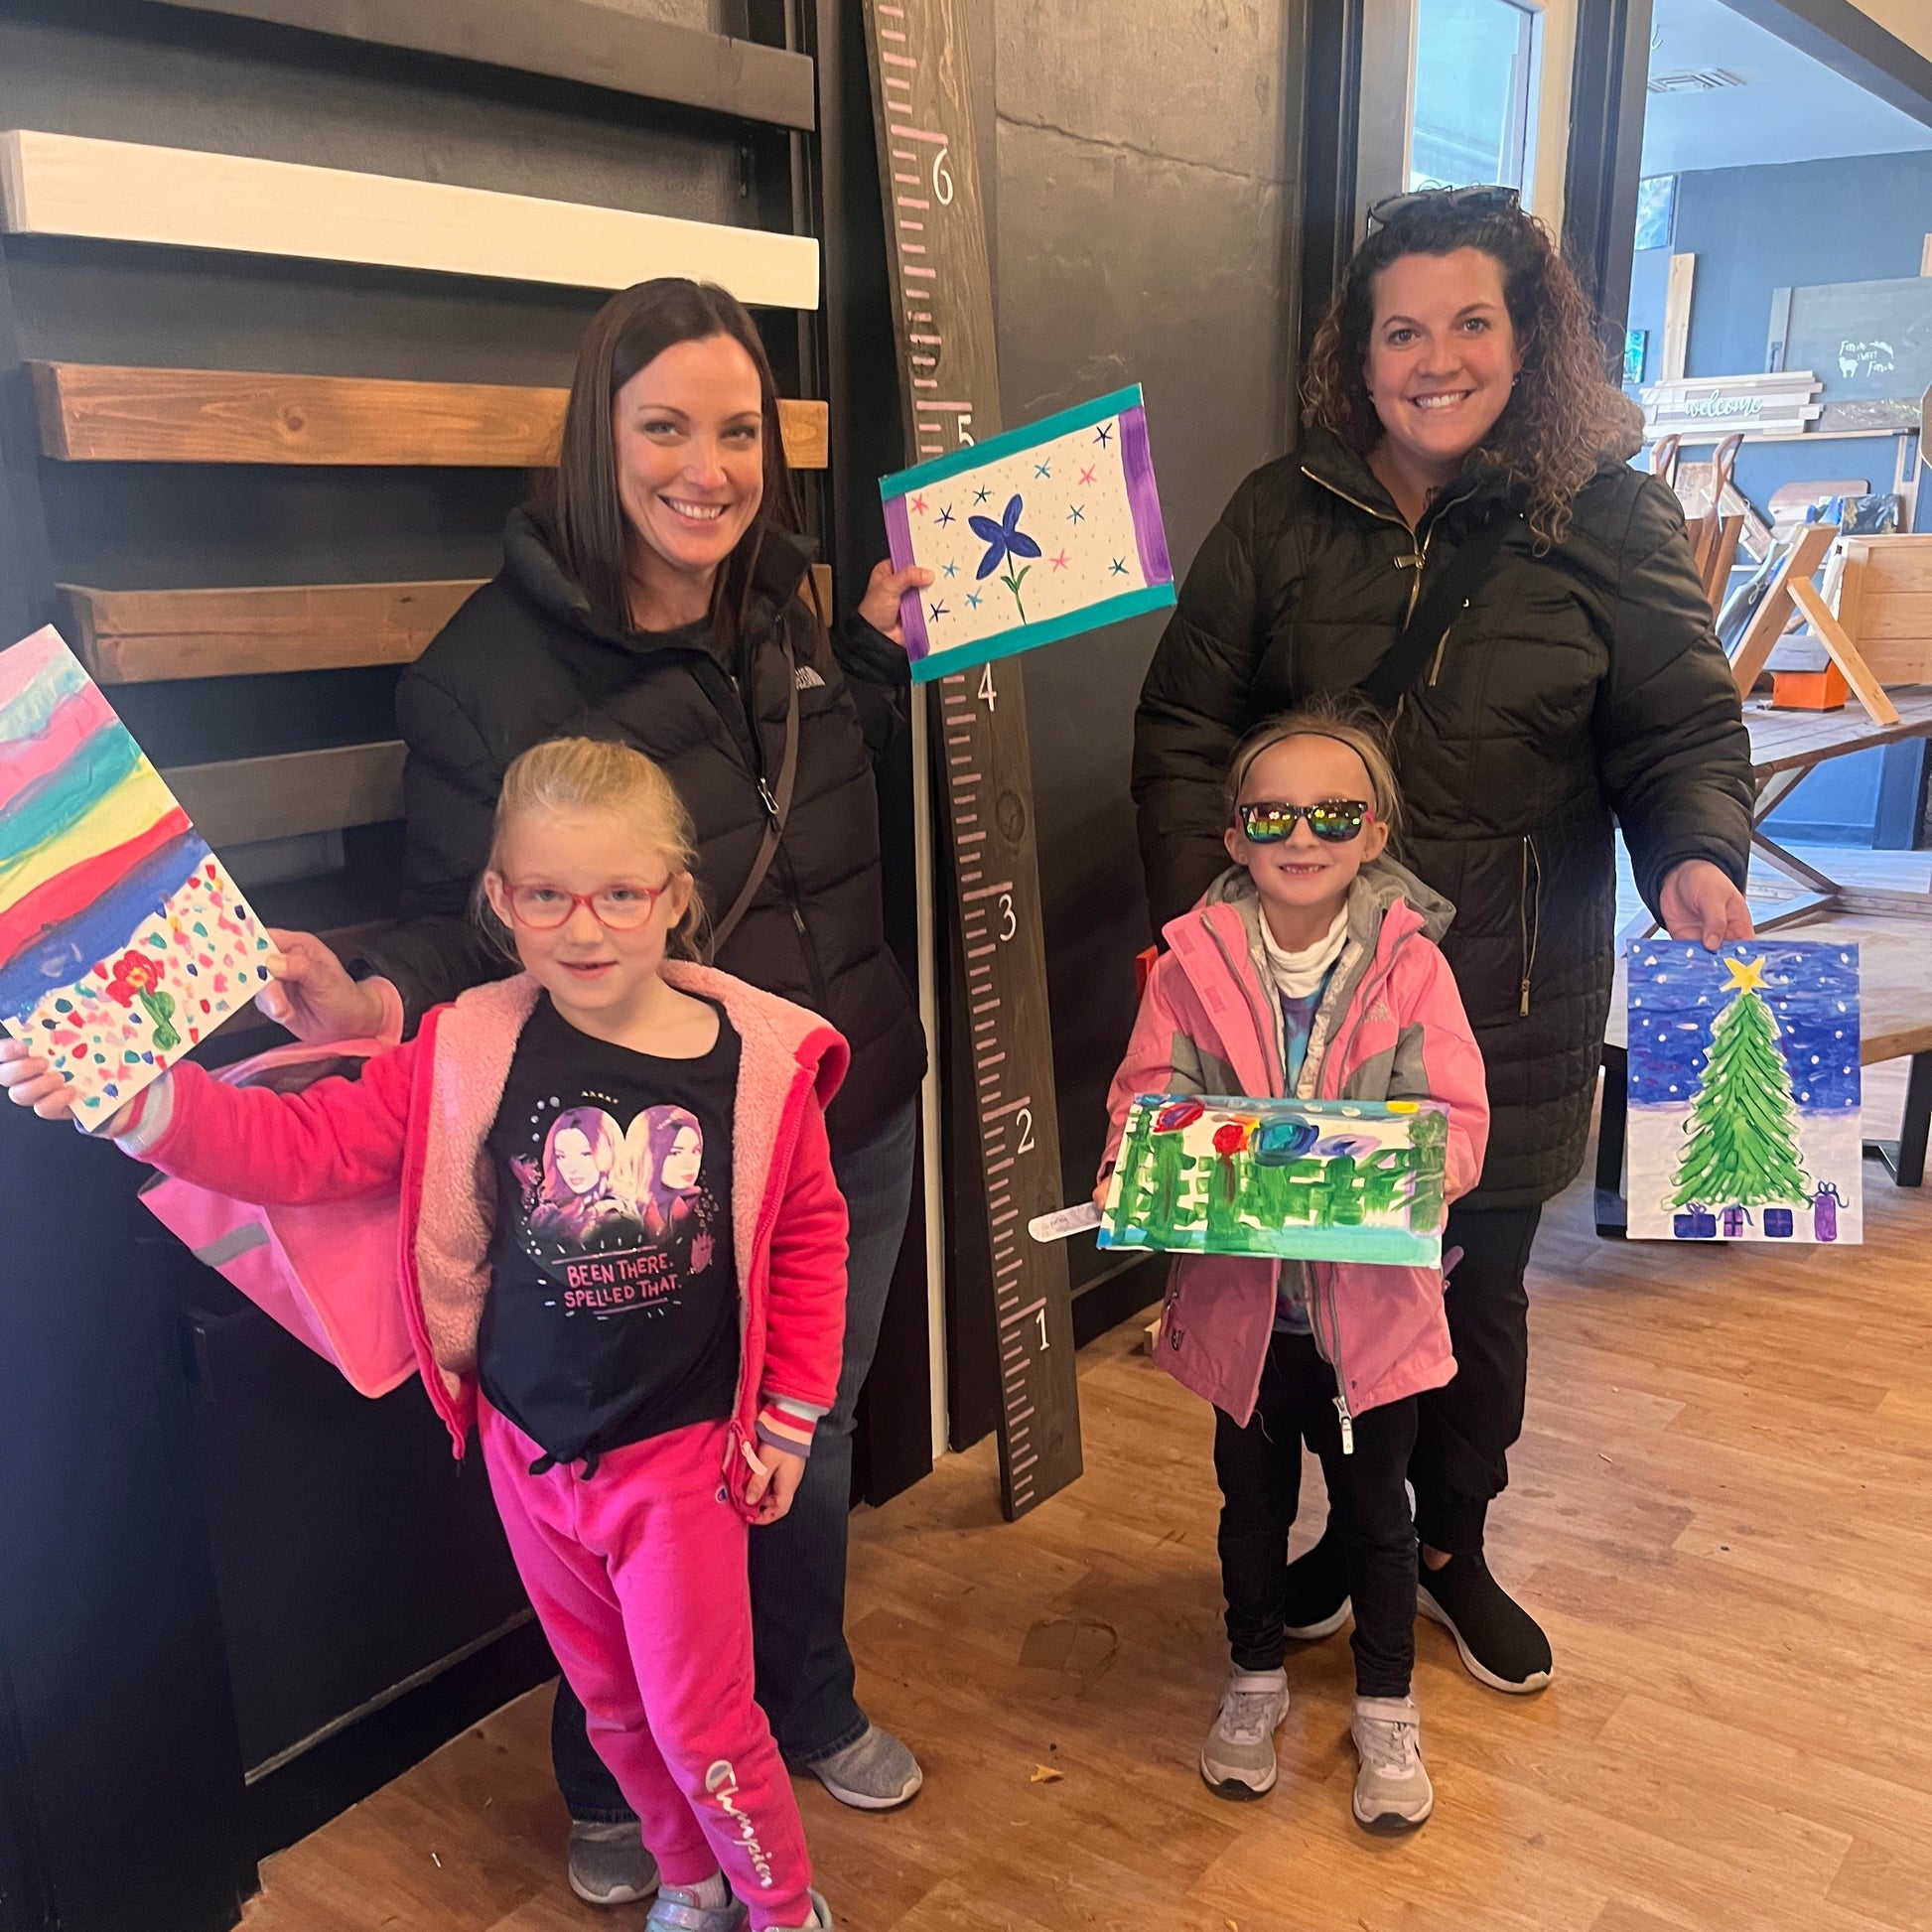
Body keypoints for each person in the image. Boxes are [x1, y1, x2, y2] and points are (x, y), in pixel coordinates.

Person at [250, 278, 933, 1900]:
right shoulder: (483, 674)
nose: (709, 467)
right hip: (624, 1158)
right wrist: (372, 991)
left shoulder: (783, 606)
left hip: (839, 1109)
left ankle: (807, 1691)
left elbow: (807, 806)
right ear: (596, 440)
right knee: (611, 1465)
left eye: (738, 431)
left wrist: (873, 661)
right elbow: (448, 916)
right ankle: (614, 1773)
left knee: (808, 1432)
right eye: (666, 430)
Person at [3, 739, 846, 1932]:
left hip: (683, 1460)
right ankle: (691, 1880)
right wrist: (141, 1102)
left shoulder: (755, 1065)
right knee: (609, 1705)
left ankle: (782, 1903)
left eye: (618, 891)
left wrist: (790, 1416)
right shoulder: (466, 1049)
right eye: (544, 891)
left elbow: (810, 1238)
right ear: (499, 898)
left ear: (675, 895)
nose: (584, 923)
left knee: (702, 1715)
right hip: (532, 1454)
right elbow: (303, 1148)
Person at [1132, 187, 1753, 1694]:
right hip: (1296, 1011)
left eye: (1470, 321)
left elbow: (1679, 726)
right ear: (1357, 354)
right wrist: (1192, 931)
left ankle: (1447, 1545)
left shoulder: (1611, 514)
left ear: (1525, 337)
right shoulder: (1279, 514)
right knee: (1309, 1298)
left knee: (1468, 1297)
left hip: (1504, 995)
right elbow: (1182, 726)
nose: (1434, 358)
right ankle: (1347, 1545)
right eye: (1400, 329)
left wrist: (1695, 855)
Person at [1097, 702, 1489, 1831]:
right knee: (1248, 1505)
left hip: (1373, 1312)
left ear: (1372, 831)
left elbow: (1455, 1119)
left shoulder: (1412, 965)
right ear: (1234, 836)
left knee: (1376, 1514)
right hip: (1244, 1312)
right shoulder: (1187, 961)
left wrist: (1397, 1166)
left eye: (1332, 812)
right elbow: (1144, 1097)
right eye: (1271, 813)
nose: (1300, 835)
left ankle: (1385, 1699)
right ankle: (1254, 1674)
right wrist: (1149, 1153)